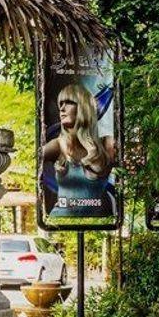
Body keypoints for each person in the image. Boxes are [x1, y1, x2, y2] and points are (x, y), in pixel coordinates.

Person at [41, 82, 116, 218]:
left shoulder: (107, 143)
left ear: (83, 108)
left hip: (100, 221)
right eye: (60, 104)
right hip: (60, 220)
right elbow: (33, 159)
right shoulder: (58, 144)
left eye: (69, 102)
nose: (62, 109)